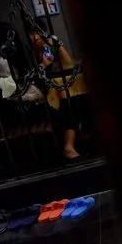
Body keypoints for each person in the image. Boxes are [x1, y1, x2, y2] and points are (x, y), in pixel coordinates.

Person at [28, 19, 93, 160]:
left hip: (58, 96)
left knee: (82, 98)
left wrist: (57, 44)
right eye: (32, 33)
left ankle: (83, 138)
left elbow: (68, 64)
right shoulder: (29, 54)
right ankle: (69, 147)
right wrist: (43, 62)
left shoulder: (49, 47)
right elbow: (36, 75)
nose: (36, 37)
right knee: (71, 104)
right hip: (43, 102)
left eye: (38, 32)